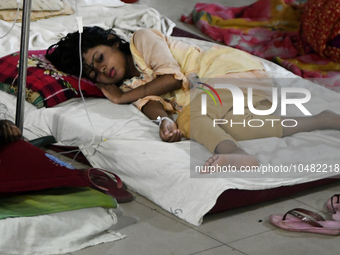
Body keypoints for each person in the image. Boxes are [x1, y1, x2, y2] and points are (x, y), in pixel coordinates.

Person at [45, 27, 340, 170]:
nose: (102, 69)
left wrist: (122, 98)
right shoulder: (131, 85)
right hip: (224, 100)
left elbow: (171, 78)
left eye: (99, 57)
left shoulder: (141, 40)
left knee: (194, 115)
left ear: (112, 42)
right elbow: (150, 103)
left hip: (233, 74)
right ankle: (319, 120)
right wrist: (163, 123)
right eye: (94, 73)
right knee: (201, 123)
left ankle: (234, 155)